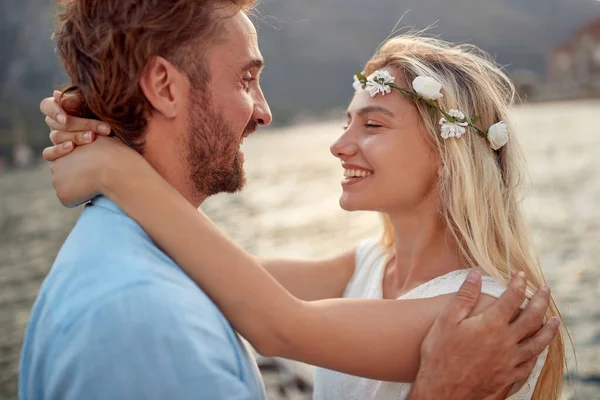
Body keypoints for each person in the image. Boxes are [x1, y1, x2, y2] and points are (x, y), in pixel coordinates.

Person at [29, 1, 559, 400]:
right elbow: (224, 274)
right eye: (346, 121)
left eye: (372, 124)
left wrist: (114, 169)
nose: (339, 145)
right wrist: (108, 116)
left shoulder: (484, 311)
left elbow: (279, 324)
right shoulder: (369, 265)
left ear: (450, 155)